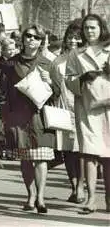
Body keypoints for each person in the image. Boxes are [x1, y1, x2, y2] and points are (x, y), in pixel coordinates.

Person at [0, 24, 55, 213]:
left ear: (41, 42)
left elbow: (58, 93)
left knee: (41, 158)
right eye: (28, 36)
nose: (31, 39)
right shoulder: (10, 64)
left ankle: (41, 197)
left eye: (36, 37)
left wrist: (50, 82)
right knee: (25, 159)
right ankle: (30, 196)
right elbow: (2, 92)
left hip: (40, 117)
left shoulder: (48, 63)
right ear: (22, 39)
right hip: (19, 117)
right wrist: (4, 115)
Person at [65, 14, 110, 214]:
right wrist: (82, 78)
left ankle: (109, 200)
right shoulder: (76, 54)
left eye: (93, 27)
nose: (89, 31)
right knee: (89, 154)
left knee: (108, 156)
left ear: (101, 28)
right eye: (86, 29)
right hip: (88, 107)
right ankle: (91, 199)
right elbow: (68, 79)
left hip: (108, 108)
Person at [50, 20, 85, 204]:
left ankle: (81, 186)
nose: (73, 41)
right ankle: (73, 186)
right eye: (70, 37)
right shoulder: (58, 61)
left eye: (77, 38)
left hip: (84, 109)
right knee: (68, 152)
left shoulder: (88, 59)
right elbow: (55, 86)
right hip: (63, 110)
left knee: (81, 151)